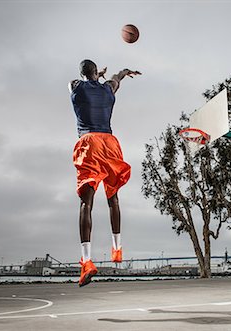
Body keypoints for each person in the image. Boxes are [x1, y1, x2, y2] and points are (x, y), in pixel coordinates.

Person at [68, 59, 141, 287]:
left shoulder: (75, 86)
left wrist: (95, 76)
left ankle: (87, 261)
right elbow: (117, 78)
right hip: (110, 143)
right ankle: (117, 248)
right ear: (96, 73)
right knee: (113, 197)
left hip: (89, 142)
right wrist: (124, 72)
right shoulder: (109, 88)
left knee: (86, 203)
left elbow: (80, 82)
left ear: (82, 73)